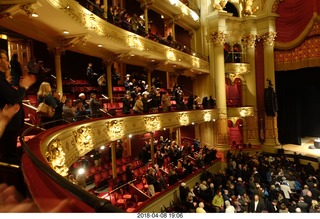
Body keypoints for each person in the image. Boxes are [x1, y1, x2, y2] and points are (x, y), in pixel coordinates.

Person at [0, 49, 36, 164]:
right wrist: (23, 87)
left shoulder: (3, 80)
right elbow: (14, 98)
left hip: (9, 125)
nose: (8, 63)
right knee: (9, 157)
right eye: (5, 59)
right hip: (7, 127)